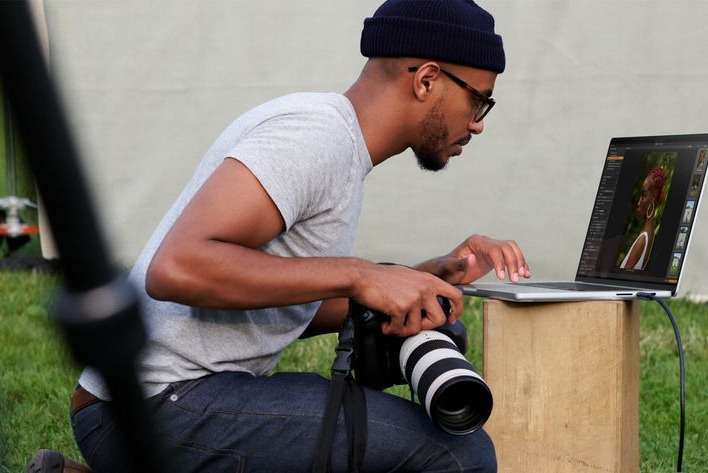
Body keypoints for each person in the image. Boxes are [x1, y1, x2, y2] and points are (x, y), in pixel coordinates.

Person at [27, 1, 528, 472]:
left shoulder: (341, 148)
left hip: (160, 401)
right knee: (460, 457)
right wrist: (359, 275)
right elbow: (176, 267)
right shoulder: (317, 138)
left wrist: (420, 277)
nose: (477, 124)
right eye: (478, 101)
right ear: (426, 80)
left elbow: (284, 302)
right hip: (149, 410)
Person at [619, 166, 667, 270]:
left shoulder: (642, 240)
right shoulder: (650, 235)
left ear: (653, 197)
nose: (638, 202)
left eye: (643, 196)